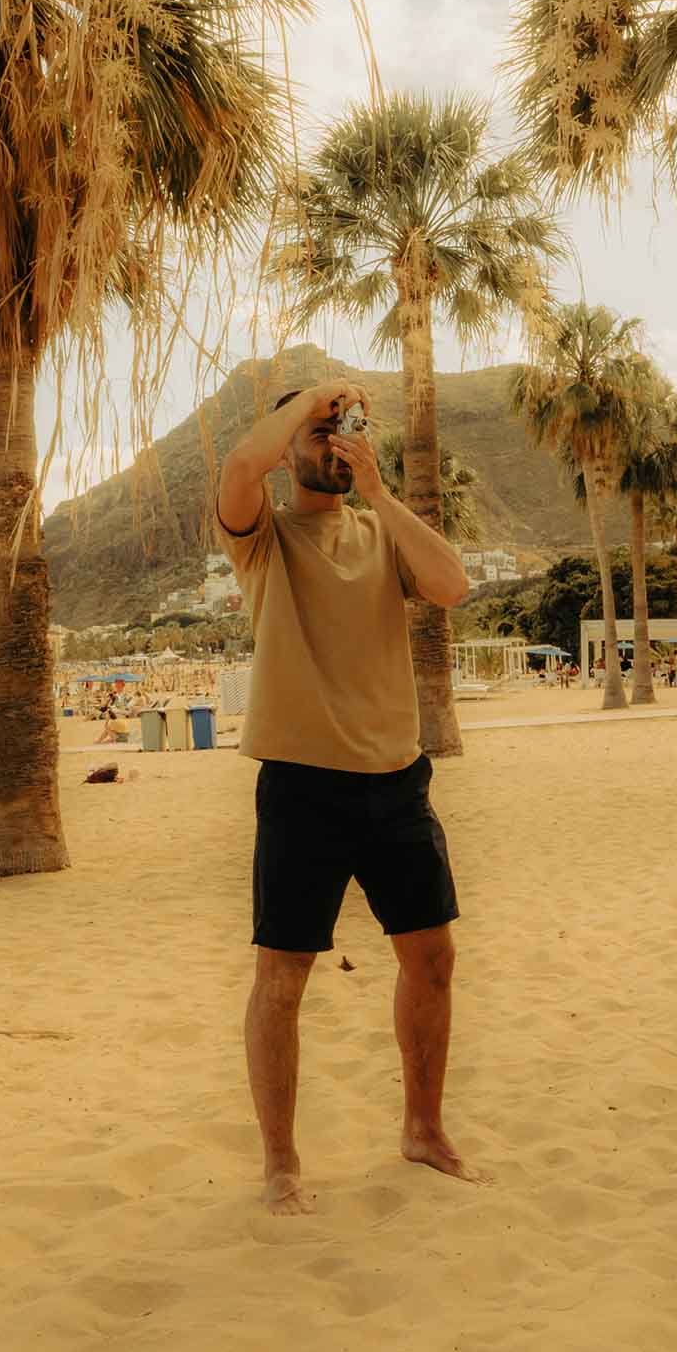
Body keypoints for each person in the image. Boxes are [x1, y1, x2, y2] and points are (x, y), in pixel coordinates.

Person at [217, 379, 482, 1215]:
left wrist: (379, 492)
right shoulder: (264, 537)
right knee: (283, 978)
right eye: (320, 433)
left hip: (397, 780)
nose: (335, 442)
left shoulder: (378, 530)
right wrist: (310, 404)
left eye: (347, 428)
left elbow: (452, 585)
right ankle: (281, 1164)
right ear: (290, 445)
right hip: (302, 785)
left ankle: (423, 1130)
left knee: (432, 960)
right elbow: (241, 466)